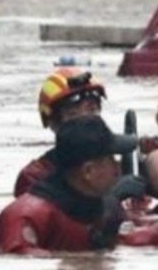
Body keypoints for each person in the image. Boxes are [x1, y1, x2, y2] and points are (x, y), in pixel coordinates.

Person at [0, 116, 158, 255]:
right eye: (111, 159)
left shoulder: (105, 208)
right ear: (88, 171)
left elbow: (123, 238)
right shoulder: (26, 217)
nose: (118, 169)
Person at [14, 68, 109, 197]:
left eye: (92, 110)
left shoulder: (115, 166)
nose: (86, 121)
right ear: (52, 123)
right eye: (73, 114)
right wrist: (112, 201)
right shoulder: (34, 176)